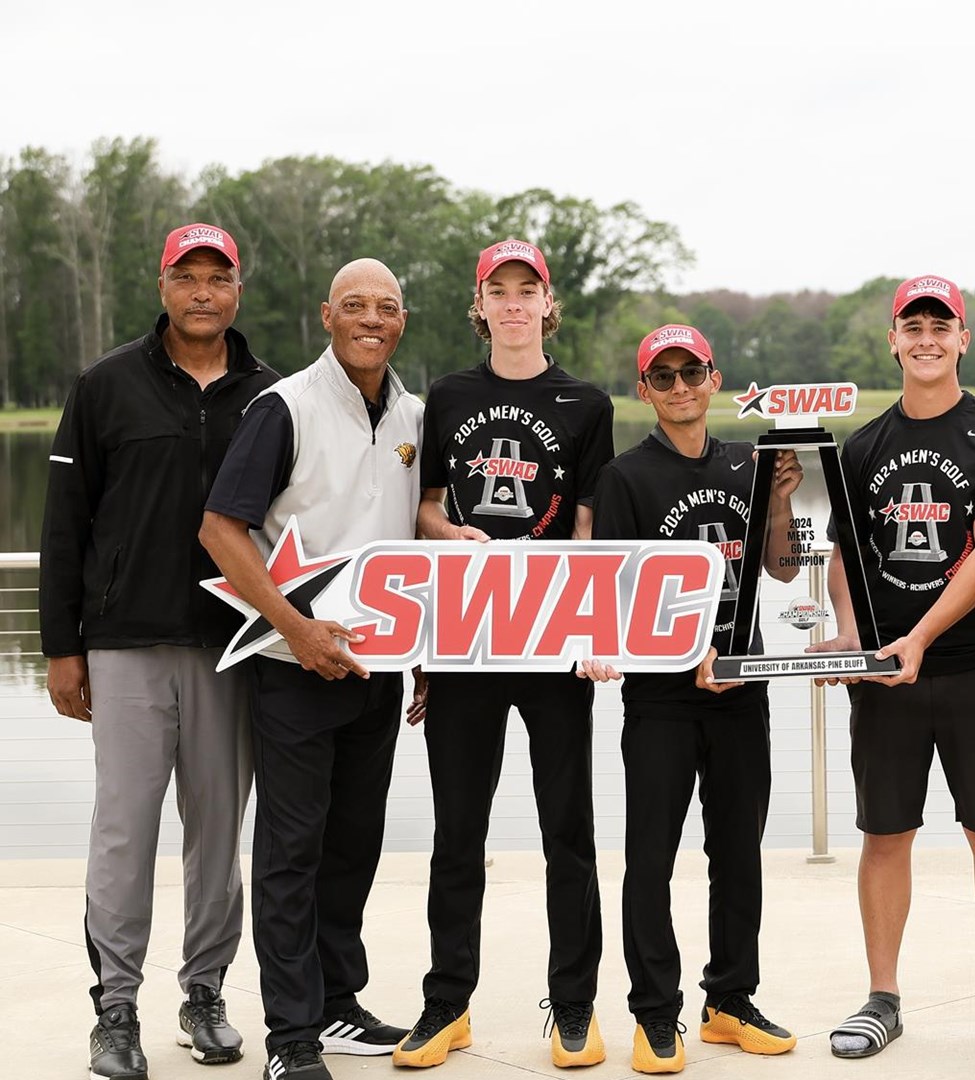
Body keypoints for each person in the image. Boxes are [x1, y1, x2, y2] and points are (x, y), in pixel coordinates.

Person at [40, 223, 278, 1079]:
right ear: (164, 285)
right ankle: (115, 1009)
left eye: (219, 277)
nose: (204, 291)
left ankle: (205, 990)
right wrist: (60, 648)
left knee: (217, 835)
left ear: (238, 290)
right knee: (123, 831)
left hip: (233, 647)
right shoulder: (106, 385)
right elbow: (65, 524)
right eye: (189, 276)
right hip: (125, 642)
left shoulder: (271, 396)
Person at [808, 274, 975, 1060]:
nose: (928, 339)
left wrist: (923, 638)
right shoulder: (863, 445)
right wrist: (851, 633)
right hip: (886, 674)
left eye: (942, 327)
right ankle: (884, 998)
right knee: (885, 834)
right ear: (893, 340)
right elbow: (844, 553)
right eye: (913, 327)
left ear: (963, 339)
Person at [393, 239, 615, 1070]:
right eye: (500, 291)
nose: (515, 304)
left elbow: (589, 528)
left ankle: (575, 1006)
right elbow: (423, 508)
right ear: (479, 306)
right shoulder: (447, 396)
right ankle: (447, 1004)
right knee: (458, 832)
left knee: (570, 832)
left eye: (529, 290)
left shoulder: (586, 403)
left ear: (547, 305)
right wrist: (453, 536)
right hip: (466, 637)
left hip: (553, 638)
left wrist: (594, 630)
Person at [199, 258, 424, 1080]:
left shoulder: (413, 412)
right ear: (326, 315)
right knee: (291, 851)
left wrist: (426, 654)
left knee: (353, 845)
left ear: (404, 320)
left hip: (379, 668)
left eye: (388, 307)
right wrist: (295, 629)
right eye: (356, 305)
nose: (373, 318)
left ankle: (336, 1006)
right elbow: (221, 529)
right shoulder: (283, 406)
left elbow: (417, 539)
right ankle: (290, 1037)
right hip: (295, 666)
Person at [586, 323, 805, 1073]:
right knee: (650, 858)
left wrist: (780, 503)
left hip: (743, 687)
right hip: (661, 699)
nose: (681, 387)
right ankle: (655, 1013)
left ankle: (729, 1001)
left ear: (715, 380)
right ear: (644, 390)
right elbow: (612, 595)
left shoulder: (750, 461)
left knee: (738, 854)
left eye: (693, 373)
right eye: (665, 376)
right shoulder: (625, 478)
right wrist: (685, 651)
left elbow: (779, 572)